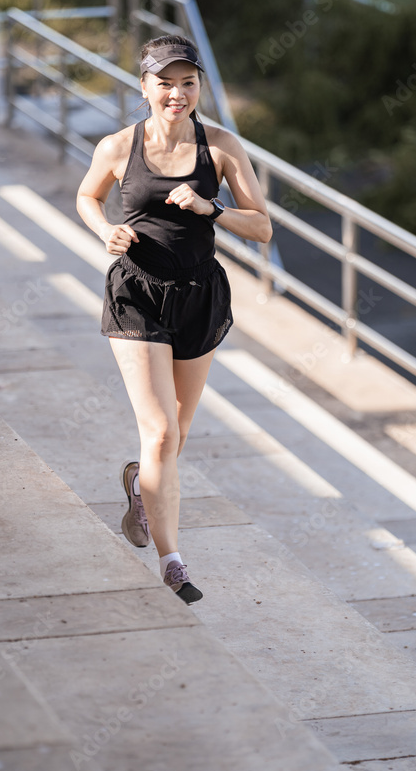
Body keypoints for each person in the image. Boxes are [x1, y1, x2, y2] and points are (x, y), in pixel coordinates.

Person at [76, 34, 272, 605]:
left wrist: (212, 208)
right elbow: (87, 197)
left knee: (176, 435)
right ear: (144, 87)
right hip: (136, 294)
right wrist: (104, 230)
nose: (177, 93)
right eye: (165, 82)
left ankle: (140, 484)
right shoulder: (118, 147)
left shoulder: (223, 148)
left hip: (199, 296)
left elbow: (262, 227)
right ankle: (172, 559)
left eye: (188, 83)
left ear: (199, 88)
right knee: (160, 430)